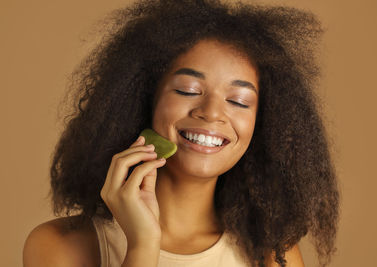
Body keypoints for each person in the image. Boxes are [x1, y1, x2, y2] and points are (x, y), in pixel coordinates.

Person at [23, 0, 339, 266]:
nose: (212, 112)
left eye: (239, 100)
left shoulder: (273, 256)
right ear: (144, 98)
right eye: (188, 90)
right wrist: (143, 244)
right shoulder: (61, 247)